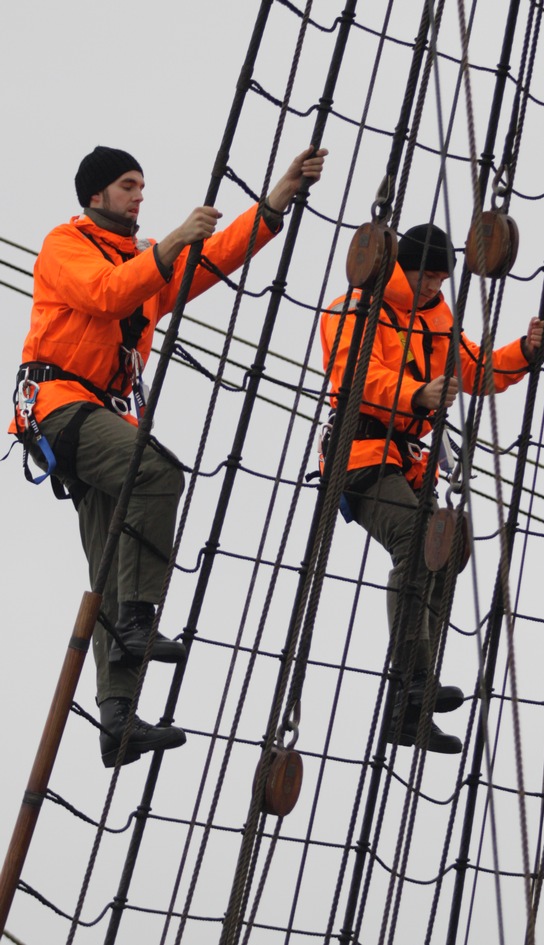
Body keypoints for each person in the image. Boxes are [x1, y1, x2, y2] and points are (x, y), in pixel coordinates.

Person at [10, 143, 327, 768]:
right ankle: (139, 617)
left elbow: (211, 260)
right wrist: (171, 241)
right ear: (97, 195)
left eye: (141, 186)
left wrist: (275, 200)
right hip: (57, 404)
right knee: (156, 470)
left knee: (107, 565)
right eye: (128, 186)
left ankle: (116, 720)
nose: (139, 196)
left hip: (98, 413)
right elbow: (107, 294)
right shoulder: (64, 246)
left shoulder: (145, 264)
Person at [320, 222, 544, 753]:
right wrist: (417, 394)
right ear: (402, 267)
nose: (432, 287)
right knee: (415, 532)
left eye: (441, 279)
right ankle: (413, 680)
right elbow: (356, 375)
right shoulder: (355, 308)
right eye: (425, 277)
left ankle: (409, 707)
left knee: (446, 547)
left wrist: (525, 348)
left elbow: (479, 369)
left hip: (403, 461)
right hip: (357, 455)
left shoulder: (438, 316)